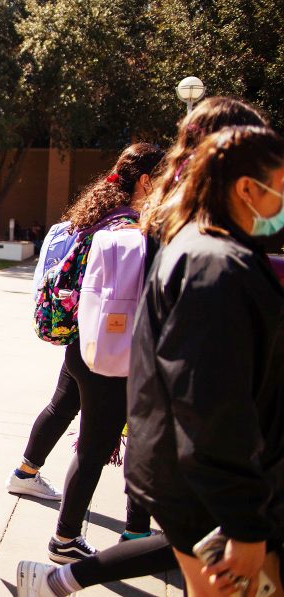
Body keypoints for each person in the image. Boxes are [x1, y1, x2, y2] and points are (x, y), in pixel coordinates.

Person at [16, 97, 272, 597]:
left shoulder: (155, 227)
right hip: (155, 408)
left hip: (104, 355)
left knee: (82, 430)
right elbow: (210, 383)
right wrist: (243, 510)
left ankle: (65, 560)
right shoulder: (196, 247)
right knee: (92, 444)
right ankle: (66, 550)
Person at [126, 126, 284, 597]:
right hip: (211, 502)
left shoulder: (212, 252)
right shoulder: (212, 265)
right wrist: (244, 525)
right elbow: (212, 405)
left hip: (211, 492)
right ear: (246, 189)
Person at [11, 143, 166, 566]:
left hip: (86, 344)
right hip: (116, 353)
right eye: (165, 178)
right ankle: (69, 537)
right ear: (146, 181)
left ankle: (32, 480)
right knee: (99, 446)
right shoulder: (134, 230)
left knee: (74, 420)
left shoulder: (94, 217)